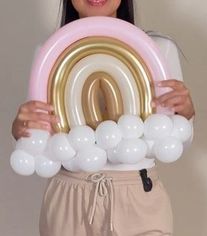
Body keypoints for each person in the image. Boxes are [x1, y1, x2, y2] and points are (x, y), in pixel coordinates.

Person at [12, 0, 195, 235]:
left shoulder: (158, 48)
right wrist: (22, 131)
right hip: (68, 197)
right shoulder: (50, 53)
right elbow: (43, 150)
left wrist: (186, 116)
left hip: (138, 196)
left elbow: (176, 146)